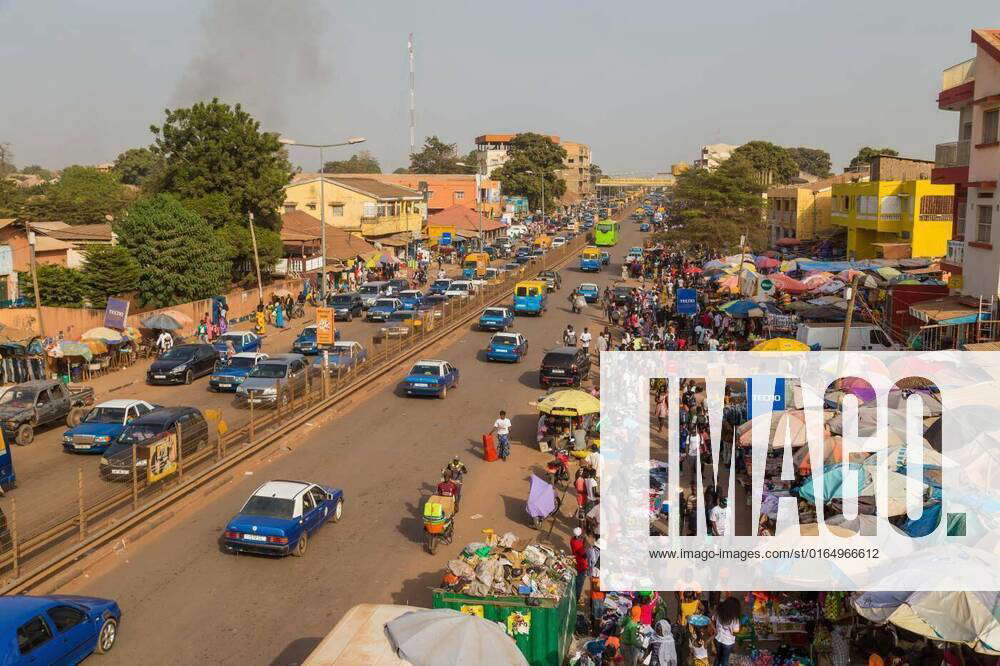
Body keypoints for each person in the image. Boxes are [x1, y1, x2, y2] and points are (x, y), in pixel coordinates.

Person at [712, 597, 741, 666]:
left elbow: (713, 619)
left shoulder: (718, 612)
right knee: (725, 659)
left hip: (718, 638)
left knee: (718, 656)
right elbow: (735, 632)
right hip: (728, 642)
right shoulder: (735, 619)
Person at [570, 527, 588, 601]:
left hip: (576, 561)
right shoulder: (578, 544)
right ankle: (576, 598)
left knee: (577, 580)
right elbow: (584, 555)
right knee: (579, 583)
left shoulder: (572, 539)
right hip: (581, 565)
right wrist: (585, 544)